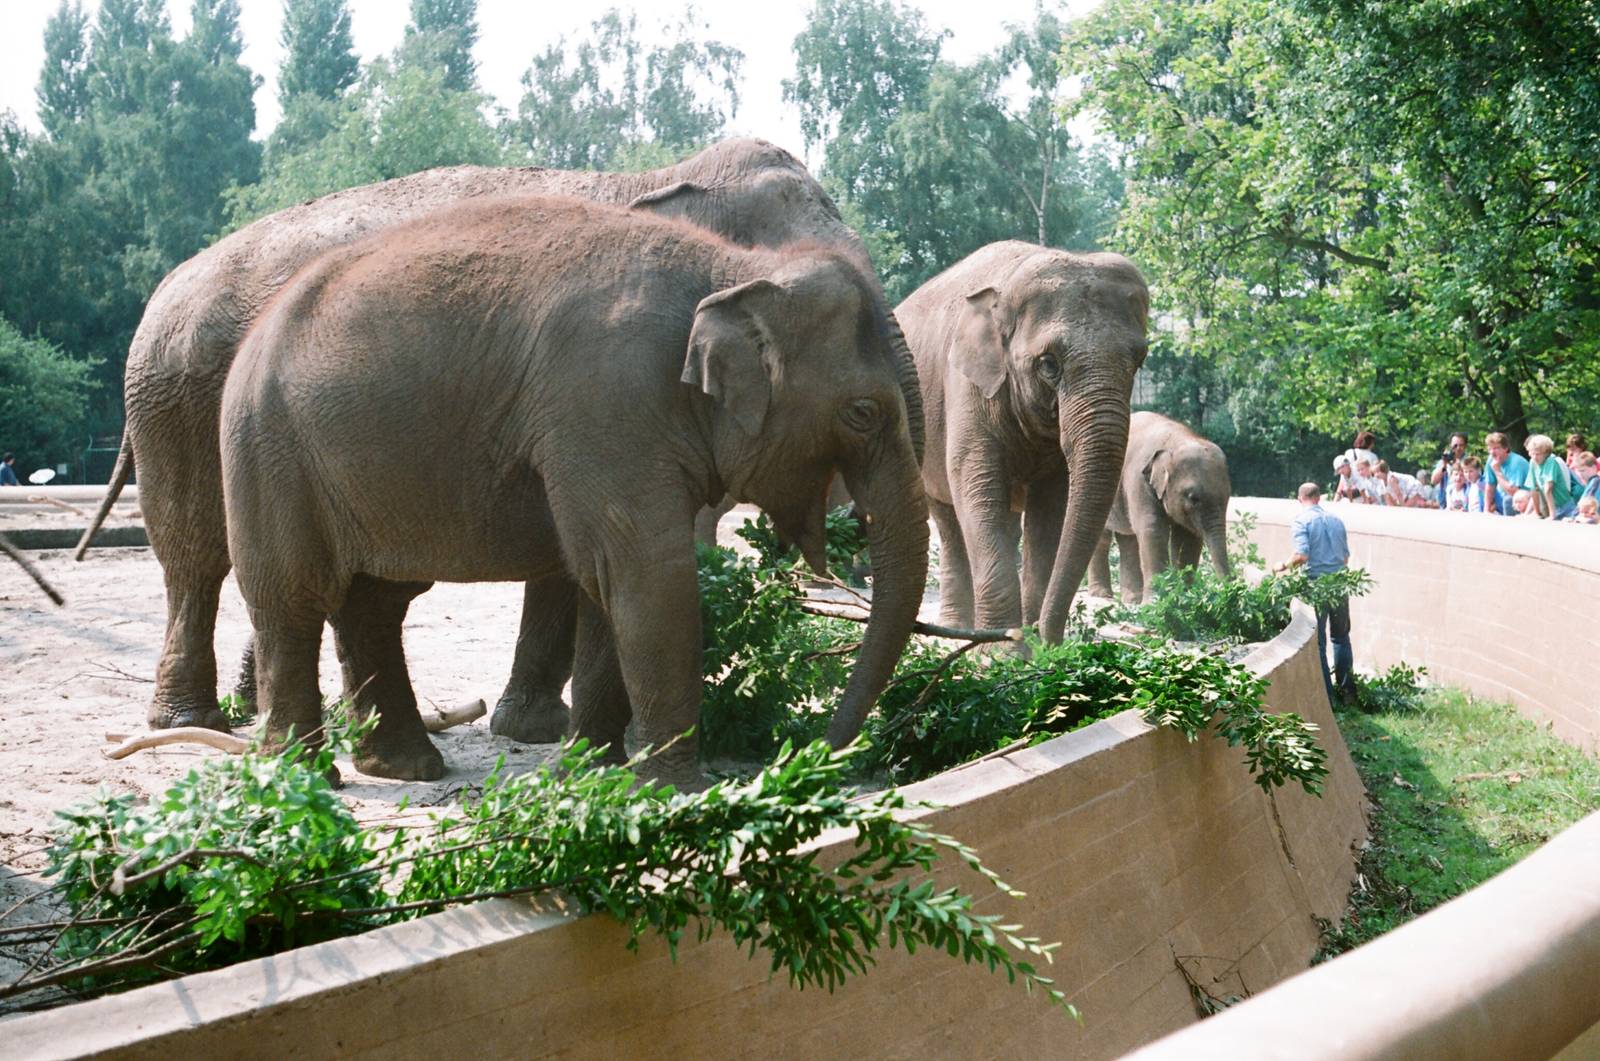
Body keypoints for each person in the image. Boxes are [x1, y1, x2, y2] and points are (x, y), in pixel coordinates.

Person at [1275, 482, 1357, 706]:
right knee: (1341, 637)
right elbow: (1345, 558)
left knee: (1319, 643)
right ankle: (1348, 692)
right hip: (1340, 583)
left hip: (1317, 586)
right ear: (1319, 497)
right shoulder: (1336, 520)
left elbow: (1302, 555)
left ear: (1300, 499)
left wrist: (1283, 565)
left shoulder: (1302, 521)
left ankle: (1326, 698)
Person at [1522, 433, 1577, 520]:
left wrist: (1552, 516)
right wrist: (1537, 513)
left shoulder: (1551, 461)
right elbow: (1533, 489)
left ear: (1546, 453)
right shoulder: (1533, 462)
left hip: (1565, 507)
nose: (1535, 457)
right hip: (1552, 507)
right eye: (1533, 453)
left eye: (1538, 454)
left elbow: (1548, 489)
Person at [1484, 432, 1531, 515]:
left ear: (1505, 448)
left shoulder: (1516, 462)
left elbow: (1514, 492)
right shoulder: (1491, 460)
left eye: (1496, 448)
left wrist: (1497, 471)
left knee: (1508, 500)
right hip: (1503, 500)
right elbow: (1490, 486)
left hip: (1524, 501)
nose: (1492, 452)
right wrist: (1486, 510)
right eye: (1490, 449)